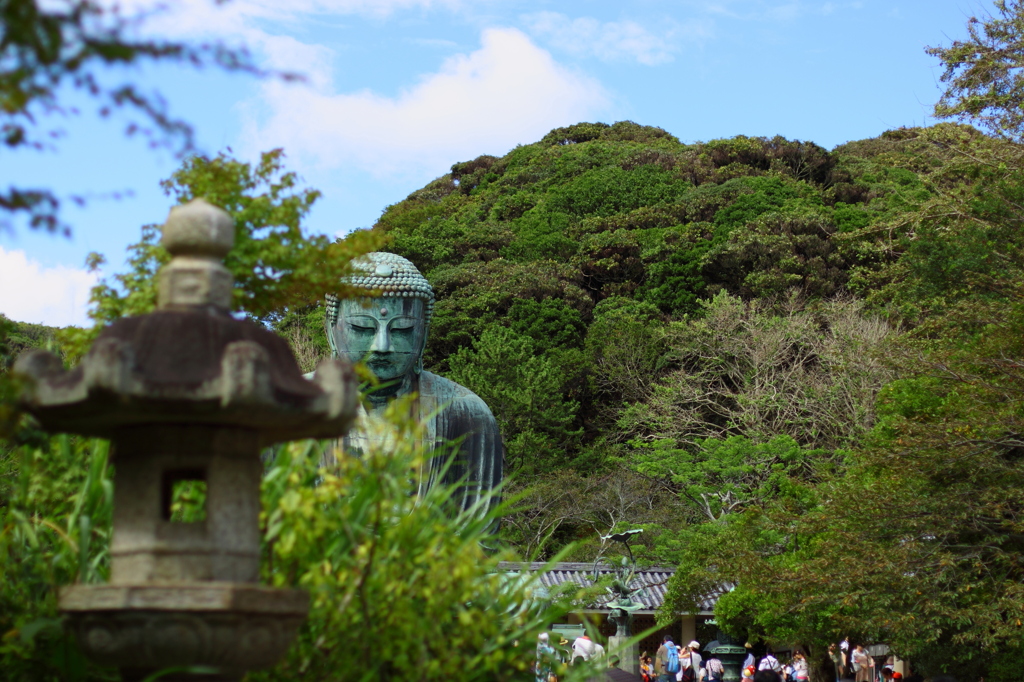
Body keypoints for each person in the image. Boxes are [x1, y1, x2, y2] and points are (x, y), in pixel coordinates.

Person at [324, 252, 503, 512]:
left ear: (423, 334)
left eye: (402, 329)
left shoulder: (465, 413)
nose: (382, 346)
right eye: (363, 328)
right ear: (332, 331)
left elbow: (478, 537)